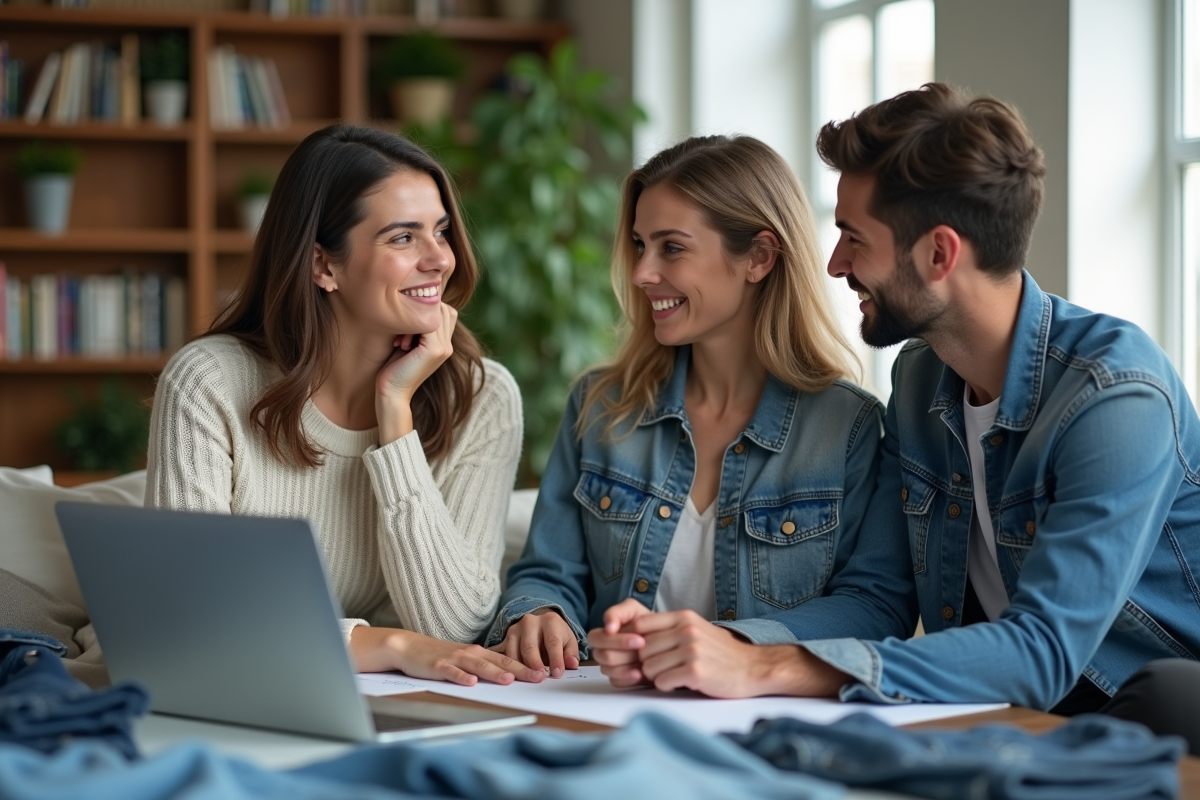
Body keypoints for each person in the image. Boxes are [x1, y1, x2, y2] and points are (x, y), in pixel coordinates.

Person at [591, 83, 1200, 753]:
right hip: (986, 718)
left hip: (1142, 715)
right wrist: (718, 644)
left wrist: (766, 666)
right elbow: (882, 595)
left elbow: (1044, 651)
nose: (833, 262)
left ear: (939, 254)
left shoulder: (1115, 395)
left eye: (854, 237)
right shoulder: (918, 380)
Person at [485, 135, 913, 693]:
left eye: (672, 247)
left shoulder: (849, 427)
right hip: (601, 711)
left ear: (759, 257)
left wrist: (728, 647)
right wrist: (537, 615)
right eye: (640, 245)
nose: (642, 272)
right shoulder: (599, 407)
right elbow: (548, 572)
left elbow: (874, 608)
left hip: (764, 730)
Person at [146, 124, 544, 686]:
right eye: (403, 238)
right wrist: (393, 645)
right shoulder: (209, 382)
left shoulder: (482, 396)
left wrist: (395, 412)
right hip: (241, 684)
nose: (440, 260)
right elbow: (192, 614)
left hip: (404, 696)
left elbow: (455, 626)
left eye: (441, 231)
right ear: (322, 266)